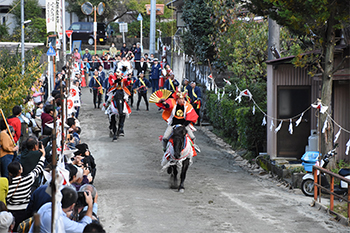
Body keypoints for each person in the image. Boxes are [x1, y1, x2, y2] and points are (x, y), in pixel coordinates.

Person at [6, 148, 45, 230]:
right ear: (20, 170)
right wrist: (43, 156)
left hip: (11, 212)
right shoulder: (27, 179)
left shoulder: (7, 183)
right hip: (24, 211)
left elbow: (7, 198)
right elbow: (38, 169)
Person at [28, 187, 93, 233]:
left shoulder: (47, 205)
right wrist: (90, 205)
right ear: (72, 206)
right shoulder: (60, 220)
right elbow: (84, 229)